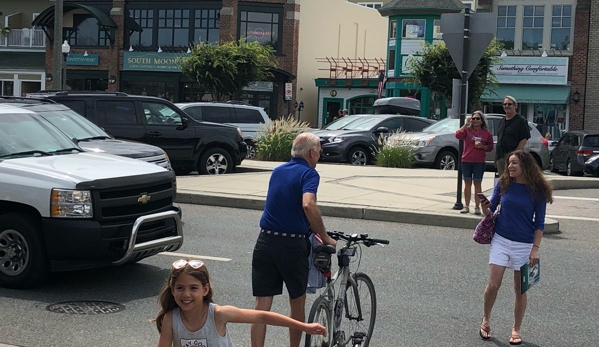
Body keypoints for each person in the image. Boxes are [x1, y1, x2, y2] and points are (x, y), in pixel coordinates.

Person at [251, 132, 336, 347]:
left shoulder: (278, 171)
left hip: (265, 240)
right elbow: (308, 204)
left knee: (261, 305)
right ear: (310, 152)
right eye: (319, 151)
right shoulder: (309, 174)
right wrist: (325, 237)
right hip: (291, 244)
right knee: (297, 300)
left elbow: (283, 203)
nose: (320, 155)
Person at [154, 259, 327, 347]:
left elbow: (262, 316)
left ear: (205, 290)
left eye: (193, 288)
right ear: (172, 289)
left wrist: (304, 326)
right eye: (180, 288)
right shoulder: (172, 319)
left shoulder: (218, 314)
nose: (186, 294)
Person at [478, 150, 553, 345]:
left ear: (525, 166)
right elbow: (490, 211)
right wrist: (484, 205)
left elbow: (540, 224)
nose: (510, 166)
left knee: (520, 289)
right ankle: (486, 319)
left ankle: (516, 328)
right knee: (493, 284)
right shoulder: (503, 184)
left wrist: (535, 249)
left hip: (524, 244)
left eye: (514, 163)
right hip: (501, 240)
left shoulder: (537, 191)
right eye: (509, 163)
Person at [455, 111, 493, 215]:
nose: (475, 120)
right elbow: (458, 135)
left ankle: (477, 207)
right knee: (467, 183)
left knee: (477, 184)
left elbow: (490, 147)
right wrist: (466, 124)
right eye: (473, 118)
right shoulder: (467, 130)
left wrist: (483, 146)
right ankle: (466, 206)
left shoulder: (487, 133)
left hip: (479, 161)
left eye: (477, 119)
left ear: (482, 121)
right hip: (466, 159)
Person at [495, 96, 530, 176]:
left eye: (509, 104)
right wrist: (496, 158)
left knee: (513, 180)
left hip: (512, 157)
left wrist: (514, 154)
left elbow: (524, 139)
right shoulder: (502, 121)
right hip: (500, 157)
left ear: (515, 106)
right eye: (505, 104)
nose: (507, 106)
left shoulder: (521, 121)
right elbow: (499, 140)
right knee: (503, 181)